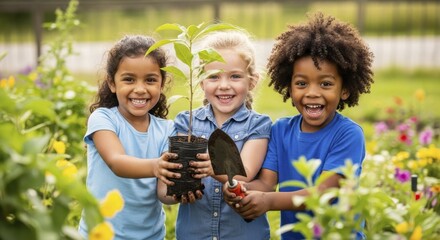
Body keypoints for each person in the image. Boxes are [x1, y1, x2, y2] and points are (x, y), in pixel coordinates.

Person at [224, 12, 374, 239]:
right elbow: (266, 183)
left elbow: (325, 193)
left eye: (325, 83)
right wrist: (240, 191)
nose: (312, 93)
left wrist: (269, 201)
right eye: (302, 83)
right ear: (289, 87)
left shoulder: (348, 134)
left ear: (345, 90)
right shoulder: (281, 130)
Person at [159, 30, 273, 240]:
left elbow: (246, 173)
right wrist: (175, 190)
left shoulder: (258, 125)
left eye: (235, 76)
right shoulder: (187, 122)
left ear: (252, 81)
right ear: (200, 82)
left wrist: (214, 168)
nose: (224, 85)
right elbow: (167, 191)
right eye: (213, 77)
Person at [78, 35, 181, 239]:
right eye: (129, 79)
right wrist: (155, 167)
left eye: (150, 80)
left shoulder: (167, 129)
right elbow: (116, 162)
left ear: (161, 85)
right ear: (112, 83)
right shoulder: (103, 119)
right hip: (101, 234)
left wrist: (180, 192)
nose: (140, 89)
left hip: (151, 235)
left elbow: (163, 193)